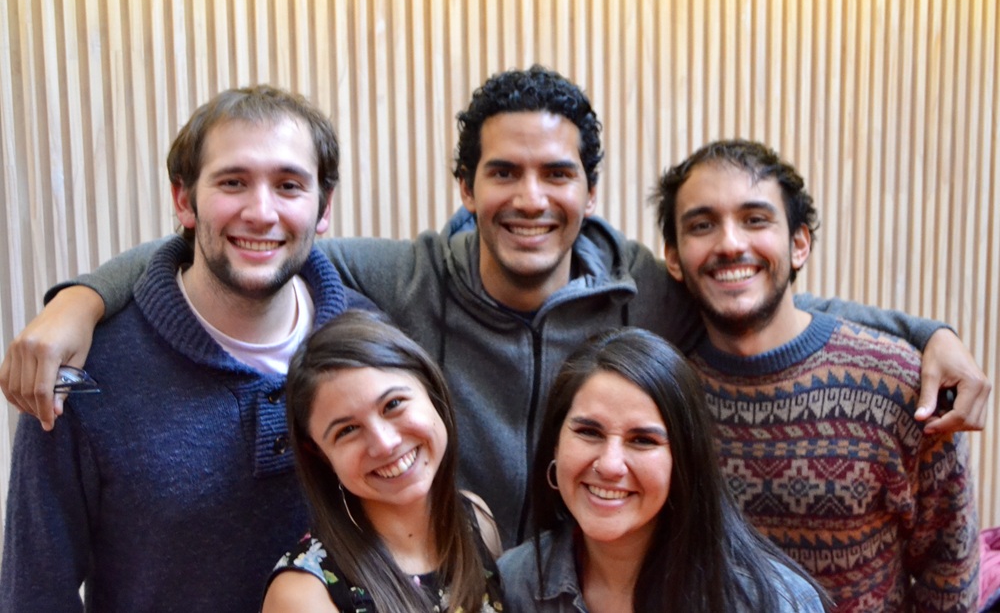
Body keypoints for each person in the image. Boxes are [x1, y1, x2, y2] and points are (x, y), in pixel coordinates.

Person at [0, 67, 990, 548]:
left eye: (556, 173)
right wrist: (79, 302)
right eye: (502, 172)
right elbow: (251, 242)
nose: (529, 197)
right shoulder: (399, 275)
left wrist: (925, 334)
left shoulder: (643, 286)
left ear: (587, 191)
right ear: (466, 186)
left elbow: (769, 299)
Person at [0, 85, 374, 612]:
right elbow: (36, 591)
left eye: (289, 185)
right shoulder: (84, 370)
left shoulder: (374, 345)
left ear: (323, 207)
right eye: (233, 182)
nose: (261, 212)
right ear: (184, 200)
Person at [653, 139, 979, 611]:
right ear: (674, 259)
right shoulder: (663, 394)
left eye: (755, 219)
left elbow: (949, 573)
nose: (729, 243)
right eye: (702, 225)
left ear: (799, 243)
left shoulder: (903, 385)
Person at [499, 327, 829, 612]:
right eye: (589, 432)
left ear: (684, 460)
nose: (611, 464)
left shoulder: (773, 602)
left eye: (642, 440)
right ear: (556, 444)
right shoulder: (515, 584)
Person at [261, 310, 503, 613]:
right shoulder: (303, 595)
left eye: (393, 404)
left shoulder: (476, 522)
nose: (385, 443)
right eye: (347, 430)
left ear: (430, 389)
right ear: (320, 454)